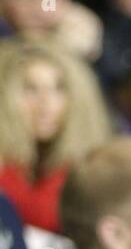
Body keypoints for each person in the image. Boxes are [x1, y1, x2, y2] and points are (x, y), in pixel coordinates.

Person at [0, 36, 112, 231]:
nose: (46, 104)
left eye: (59, 89)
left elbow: (44, 215)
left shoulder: (88, 165)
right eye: (30, 89)